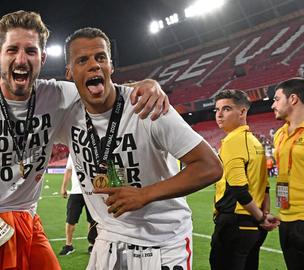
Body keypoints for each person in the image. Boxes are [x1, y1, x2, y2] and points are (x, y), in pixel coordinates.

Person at [0, 10, 170, 270]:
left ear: (42, 58)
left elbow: (105, 91)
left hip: (28, 222)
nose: (21, 59)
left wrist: (147, 83)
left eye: (30, 51)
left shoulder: (58, 95)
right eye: (12, 50)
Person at [63, 27, 223, 270]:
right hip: (108, 241)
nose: (94, 65)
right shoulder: (64, 112)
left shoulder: (147, 106)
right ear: (69, 73)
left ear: (111, 67)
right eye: (82, 60)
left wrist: (144, 194)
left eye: (101, 57)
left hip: (162, 242)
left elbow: (210, 166)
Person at [209, 89, 279, 270]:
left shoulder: (233, 142)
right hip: (252, 227)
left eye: (226, 109)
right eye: (217, 110)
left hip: (234, 224)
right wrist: (264, 215)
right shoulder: (255, 142)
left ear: (242, 112)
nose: (219, 115)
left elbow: (238, 189)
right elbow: (264, 187)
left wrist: (261, 217)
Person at [271, 77, 304, 270]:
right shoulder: (279, 134)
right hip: (285, 219)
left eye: (276, 99)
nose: (273, 105)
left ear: (293, 99)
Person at [59, 156, 97, 256]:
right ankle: (68, 245)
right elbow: (68, 171)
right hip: (76, 191)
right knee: (70, 219)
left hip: (92, 192)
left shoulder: (93, 151)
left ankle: (92, 245)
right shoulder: (72, 153)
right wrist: (63, 187)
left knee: (92, 220)